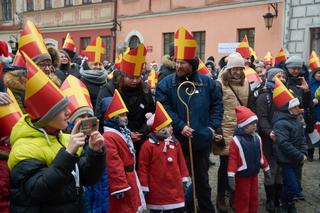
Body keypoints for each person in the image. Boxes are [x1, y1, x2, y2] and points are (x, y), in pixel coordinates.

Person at [8, 54, 106, 213]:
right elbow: (38, 191)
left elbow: (88, 178)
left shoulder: (65, 138)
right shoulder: (23, 148)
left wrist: (96, 153)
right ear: (47, 115)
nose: (69, 113)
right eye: (62, 109)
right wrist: (68, 154)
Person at [156, 26, 223, 213]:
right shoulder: (165, 84)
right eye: (177, 62)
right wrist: (180, 125)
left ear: (192, 64)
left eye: (183, 63)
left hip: (201, 139)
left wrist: (211, 128)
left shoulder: (208, 82)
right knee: (177, 180)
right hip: (177, 140)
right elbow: (163, 108)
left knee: (201, 181)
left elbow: (217, 106)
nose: (178, 66)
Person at [95, 44, 155, 162]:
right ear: (122, 76)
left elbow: (151, 112)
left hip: (141, 141)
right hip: (116, 142)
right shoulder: (109, 90)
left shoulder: (145, 89)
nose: (135, 81)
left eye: (138, 77)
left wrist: (141, 132)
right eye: (131, 77)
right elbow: (102, 117)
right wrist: (126, 134)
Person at [214, 52, 255, 212]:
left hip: (241, 129)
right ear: (229, 69)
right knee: (225, 165)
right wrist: (217, 131)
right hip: (225, 129)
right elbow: (216, 108)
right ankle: (220, 196)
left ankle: (234, 195)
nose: (238, 71)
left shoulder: (247, 83)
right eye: (234, 68)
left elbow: (250, 105)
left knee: (239, 165)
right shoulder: (219, 84)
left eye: (240, 68)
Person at [138, 102, 189, 212]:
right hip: (156, 187)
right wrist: (144, 185)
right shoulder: (148, 146)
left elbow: (181, 162)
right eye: (167, 126)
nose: (171, 128)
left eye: (170, 125)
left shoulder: (175, 143)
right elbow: (143, 167)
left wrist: (184, 177)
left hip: (174, 185)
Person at [100, 90, 146, 213]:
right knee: (124, 208)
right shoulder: (109, 137)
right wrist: (119, 185)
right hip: (123, 180)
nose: (125, 118)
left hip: (130, 177)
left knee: (131, 206)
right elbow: (113, 163)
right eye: (121, 115)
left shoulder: (122, 132)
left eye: (125, 115)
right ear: (111, 117)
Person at [228, 106, 271, 213]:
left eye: (255, 123)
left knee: (254, 197)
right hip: (242, 177)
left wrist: (266, 168)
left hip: (254, 175)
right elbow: (233, 160)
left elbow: (261, 156)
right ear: (244, 125)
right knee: (243, 198)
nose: (255, 126)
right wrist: (231, 175)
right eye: (252, 123)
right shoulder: (236, 140)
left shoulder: (257, 138)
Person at [256, 68, 286, 212]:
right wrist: (269, 132)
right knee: (271, 170)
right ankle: (270, 200)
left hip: (284, 139)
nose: (282, 78)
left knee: (281, 170)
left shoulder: (287, 94)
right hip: (269, 139)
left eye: (283, 76)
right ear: (270, 78)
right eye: (278, 76)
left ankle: (278, 199)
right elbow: (262, 117)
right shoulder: (264, 96)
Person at [273, 96, 308, 213]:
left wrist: (303, 152)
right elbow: (284, 143)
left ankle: (288, 203)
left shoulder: (296, 120)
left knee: (291, 185)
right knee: (293, 186)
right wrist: (299, 155)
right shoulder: (280, 123)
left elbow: (302, 138)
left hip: (296, 160)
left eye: (298, 106)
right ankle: (283, 203)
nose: (298, 108)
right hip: (286, 160)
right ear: (287, 108)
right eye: (295, 106)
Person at [80, 37, 108, 108]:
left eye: (100, 64)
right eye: (95, 64)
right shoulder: (81, 82)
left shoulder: (107, 80)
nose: (98, 67)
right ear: (88, 64)